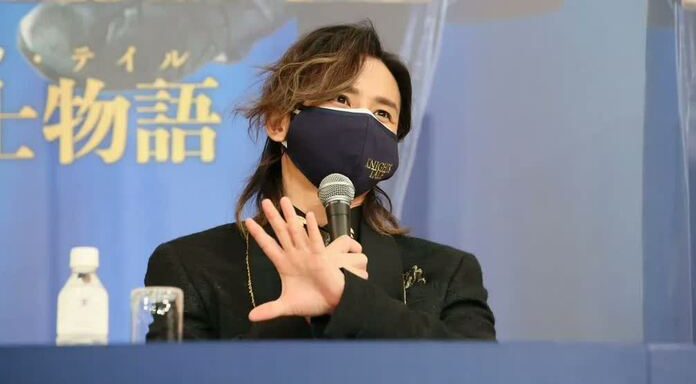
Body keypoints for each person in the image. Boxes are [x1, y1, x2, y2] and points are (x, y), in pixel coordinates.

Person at [144, 22, 496, 339]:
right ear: (279, 122)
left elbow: (478, 371)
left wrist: (350, 300)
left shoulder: (447, 272)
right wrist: (291, 319)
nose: (364, 123)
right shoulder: (192, 266)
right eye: (341, 99)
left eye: (382, 113)